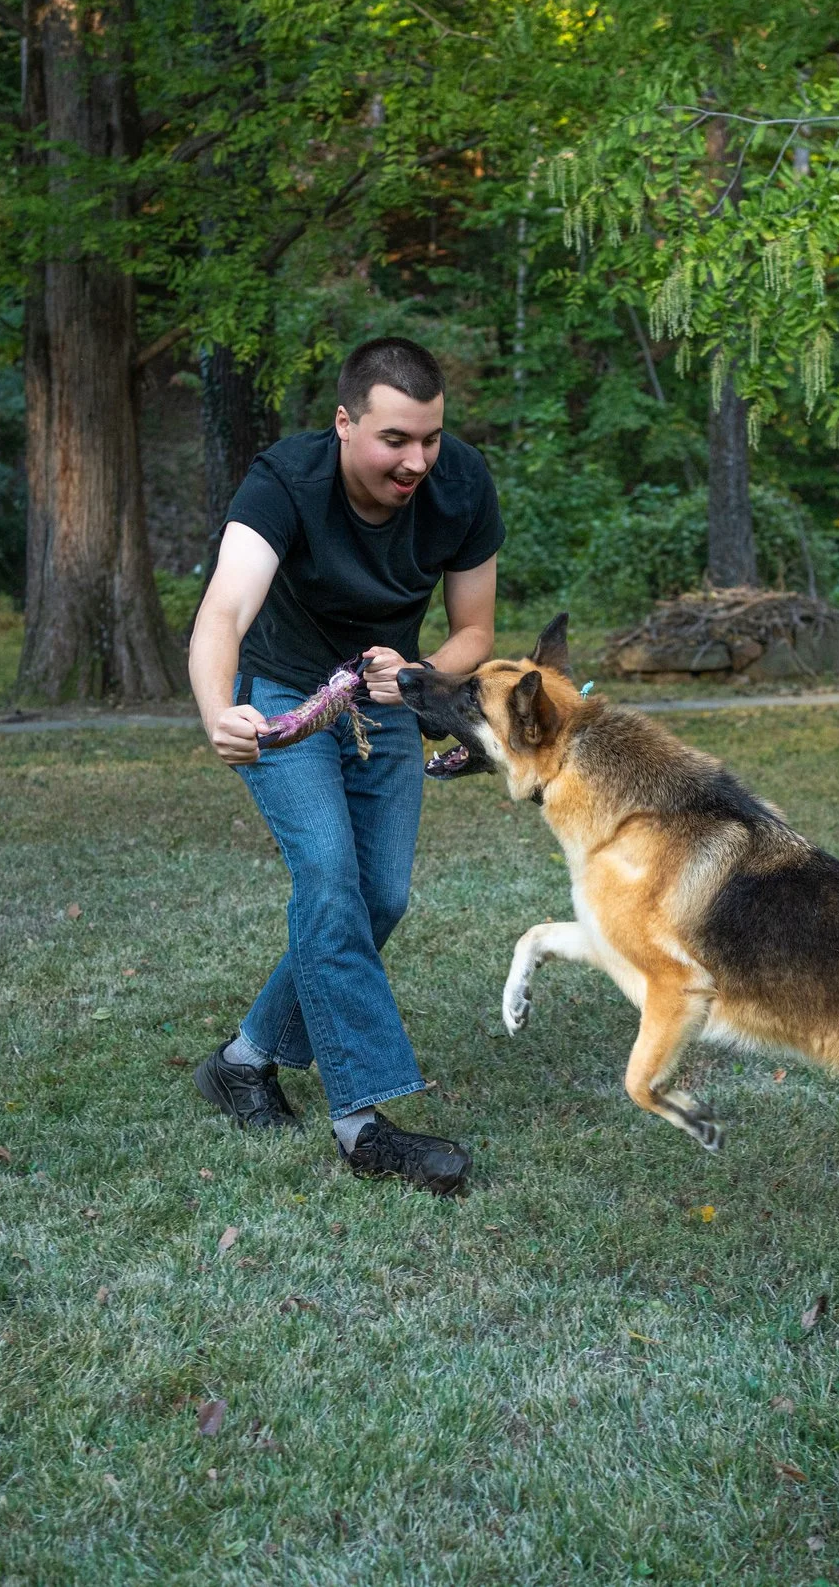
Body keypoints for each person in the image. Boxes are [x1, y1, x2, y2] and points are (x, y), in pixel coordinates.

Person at [185, 337, 500, 1196]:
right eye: (395, 439)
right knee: (328, 880)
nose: (417, 461)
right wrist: (223, 714)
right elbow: (224, 611)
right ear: (343, 422)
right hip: (286, 700)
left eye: (430, 438)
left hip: (386, 695)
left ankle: (244, 1060)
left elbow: (475, 630)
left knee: (380, 897)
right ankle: (363, 1124)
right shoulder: (286, 480)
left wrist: (420, 675)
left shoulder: (461, 483)